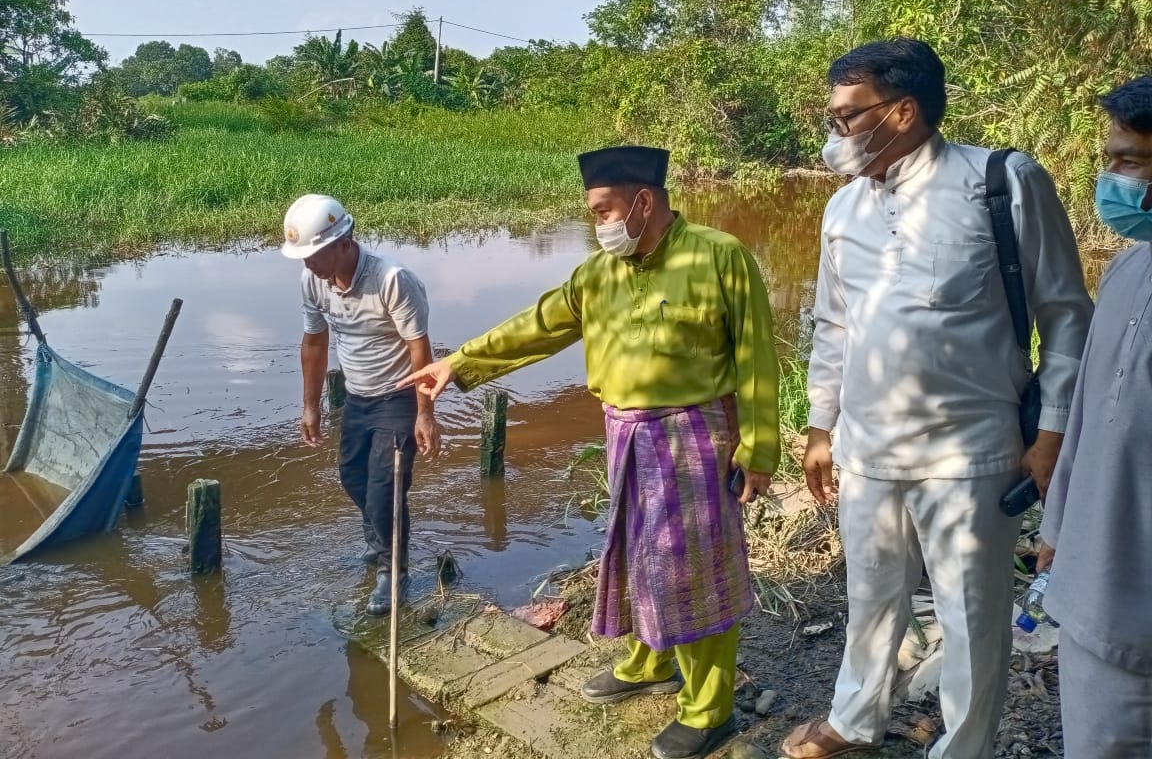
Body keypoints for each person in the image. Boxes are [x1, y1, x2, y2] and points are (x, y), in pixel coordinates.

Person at [398, 146, 780, 759]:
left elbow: (756, 357)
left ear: (643, 201)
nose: (597, 224)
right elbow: (540, 324)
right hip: (624, 435)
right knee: (633, 553)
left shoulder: (718, 256)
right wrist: (459, 363)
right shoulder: (597, 274)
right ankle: (649, 661)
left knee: (692, 571)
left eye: (603, 210)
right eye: (592, 213)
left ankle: (709, 708)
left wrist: (759, 449)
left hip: (693, 435)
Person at [781, 39, 1093, 759]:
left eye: (845, 117)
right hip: (866, 448)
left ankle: (963, 747)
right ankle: (855, 721)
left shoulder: (1001, 181)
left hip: (972, 453)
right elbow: (833, 324)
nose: (835, 134)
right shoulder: (842, 210)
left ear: (903, 110)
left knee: (972, 614)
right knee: (872, 595)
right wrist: (820, 426)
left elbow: (1066, 315)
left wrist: (1050, 434)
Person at [1036, 76, 1152, 759]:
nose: (1109, 178)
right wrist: (1058, 530)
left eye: (1128, 161)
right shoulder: (1125, 271)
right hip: (1091, 589)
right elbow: (1088, 417)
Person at [282, 193, 440, 616]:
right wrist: (311, 406)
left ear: (344, 241)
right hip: (356, 397)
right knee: (353, 478)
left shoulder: (392, 280)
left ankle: (394, 573)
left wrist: (425, 414)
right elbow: (315, 343)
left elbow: (420, 352)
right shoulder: (312, 280)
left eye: (314, 253)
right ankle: (380, 541)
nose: (307, 263)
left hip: (399, 397)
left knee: (385, 491)